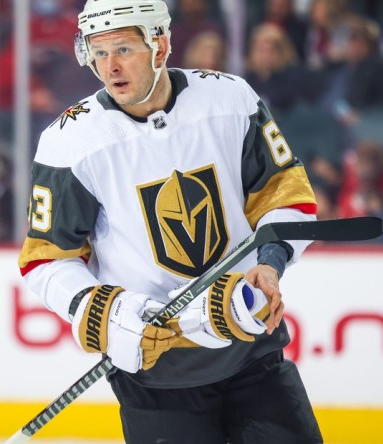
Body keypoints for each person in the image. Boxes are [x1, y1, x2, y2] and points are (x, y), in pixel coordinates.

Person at [17, 1, 321, 442]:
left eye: (123, 49)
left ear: (160, 45)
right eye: (98, 53)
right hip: (153, 374)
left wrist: (269, 264)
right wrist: (96, 306)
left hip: (251, 351)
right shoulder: (70, 142)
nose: (110, 67)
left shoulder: (230, 100)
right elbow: (45, 259)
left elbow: (288, 198)